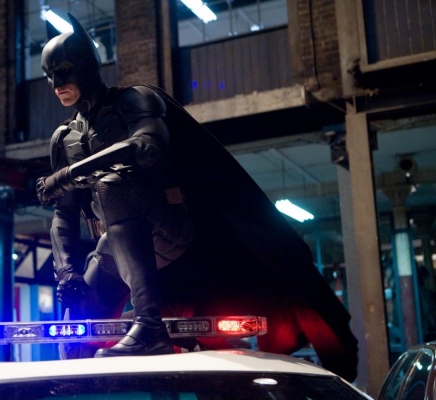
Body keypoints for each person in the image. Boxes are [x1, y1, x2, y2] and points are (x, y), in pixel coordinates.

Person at [35, 14, 358, 381]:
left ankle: (149, 325)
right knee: (74, 341)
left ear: (87, 65)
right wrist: (67, 272)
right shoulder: (64, 138)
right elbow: (64, 215)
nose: (56, 84)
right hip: (112, 245)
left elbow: (146, 147)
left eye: (63, 71)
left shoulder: (134, 101)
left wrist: (68, 175)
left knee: (113, 185)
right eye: (49, 75)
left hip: (170, 233)